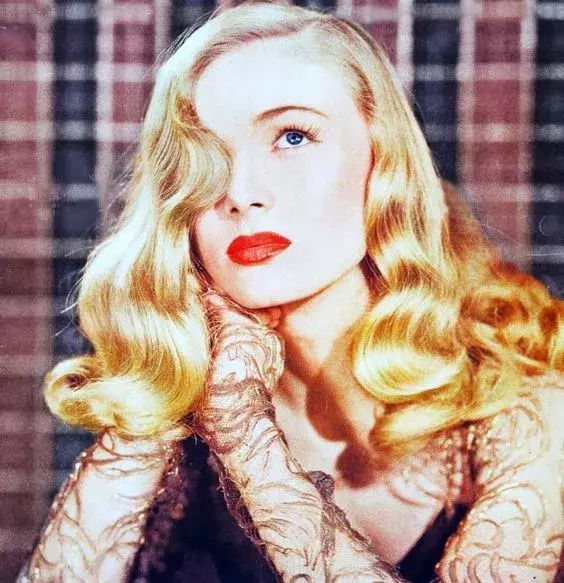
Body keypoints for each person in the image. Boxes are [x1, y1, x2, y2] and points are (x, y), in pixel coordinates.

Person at [18, 1, 564, 581]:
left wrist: (244, 434)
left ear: (383, 161)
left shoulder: (526, 399)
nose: (240, 192)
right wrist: (163, 383)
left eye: (293, 136)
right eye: (204, 157)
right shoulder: (191, 392)